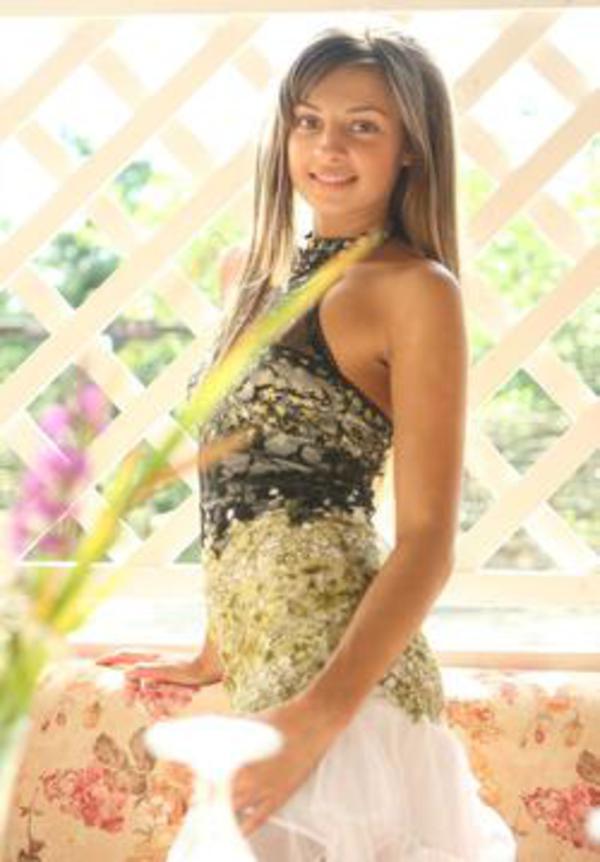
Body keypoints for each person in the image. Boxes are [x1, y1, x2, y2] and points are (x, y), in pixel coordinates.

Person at [99, 25, 518, 860]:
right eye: (308, 121)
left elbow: (428, 543)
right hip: (268, 686)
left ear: (410, 147)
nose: (329, 147)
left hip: (348, 702)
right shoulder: (245, 277)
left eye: (363, 126)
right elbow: (246, 487)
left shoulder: (416, 290)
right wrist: (214, 649)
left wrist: (315, 719)